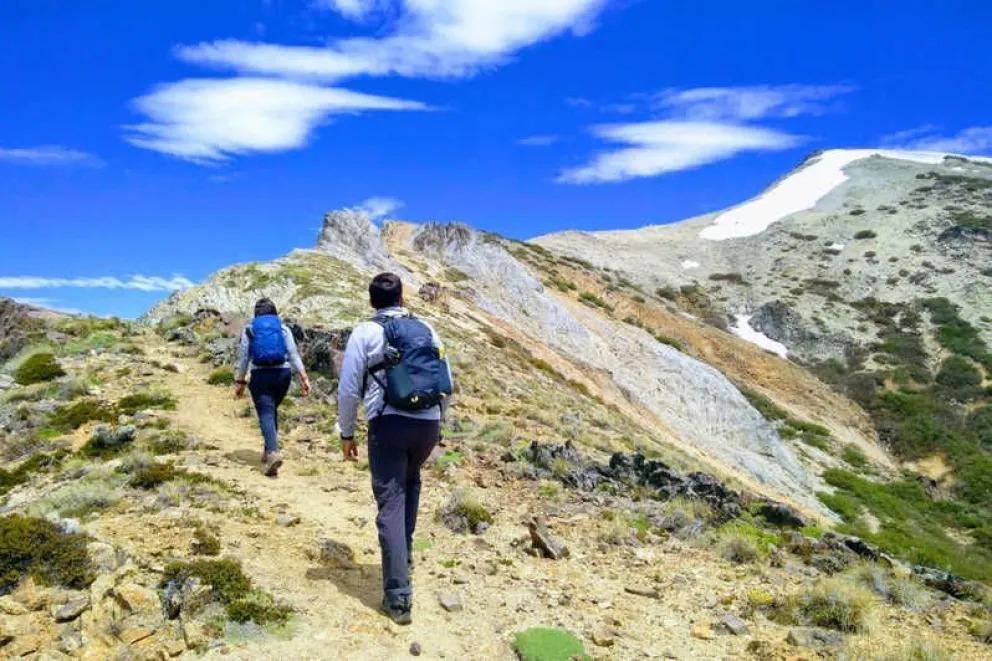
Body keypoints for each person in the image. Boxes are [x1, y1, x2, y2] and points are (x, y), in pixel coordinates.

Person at [337, 273, 453, 625]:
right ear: (402, 299)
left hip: (389, 423)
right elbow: (446, 377)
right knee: (411, 483)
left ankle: (398, 598)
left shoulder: (365, 332)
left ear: (372, 301)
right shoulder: (428, 329)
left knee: (390, 499)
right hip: (427, 423)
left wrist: (346, 432)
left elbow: (348, 388)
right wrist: (439, 424)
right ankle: (404, 557)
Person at [235, 298, 311, 477]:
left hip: (261, 376)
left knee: (266, 413)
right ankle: (268, 448)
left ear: (256, 314)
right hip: (283, 375)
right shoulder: (283, 329)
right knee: (271, 409)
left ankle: (273, 453)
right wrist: (304, 377)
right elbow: (293, 355)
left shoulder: (250, 329)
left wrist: (240, 381)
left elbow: (244, 358)